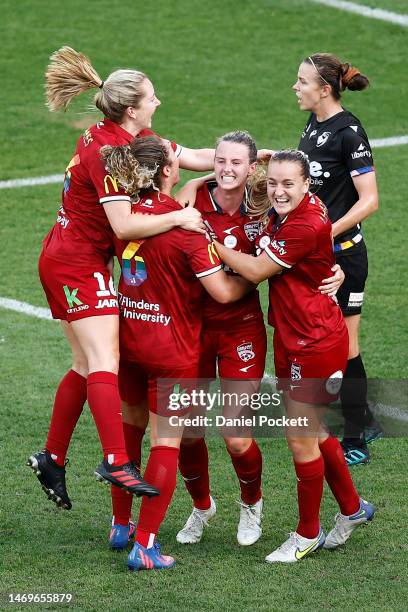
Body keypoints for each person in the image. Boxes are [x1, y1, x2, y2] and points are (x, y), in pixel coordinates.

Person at [27, 46, 220, 510]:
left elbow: (191, 155)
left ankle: (52, 457)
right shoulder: (112, 153)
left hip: (66, 254)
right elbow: (124, 227)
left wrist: (249, 159)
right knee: (104, 360)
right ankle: (115, 460)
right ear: (132, 109)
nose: (159, 102)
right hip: (77, 263)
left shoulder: (127, 135)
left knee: (82, 363)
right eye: (152, 97)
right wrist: (180, 219)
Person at [102, 135, 256, 570]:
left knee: (128, 432)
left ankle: (120, 525)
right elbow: (223, 293)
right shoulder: (187, 227)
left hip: (127, 344)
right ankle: (146, 545)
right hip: (172, 353)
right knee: (165, 445)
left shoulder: (125, 219)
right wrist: (259, 274)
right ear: (169, 172)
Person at [214, 150, 375, 564]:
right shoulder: (292, 208)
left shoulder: (303, 224)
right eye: (273, 183)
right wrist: (264, 157)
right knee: (316, 433)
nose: (279, 191)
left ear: (307, 186)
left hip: (315, 342)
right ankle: (353, 510)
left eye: (289, 184)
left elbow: (254, 271)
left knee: (300, 438)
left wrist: (210, 242)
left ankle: (307, 533)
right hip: (291, 336)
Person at [176, 131, 266, 548]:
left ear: (251, 167)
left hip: (240, 330)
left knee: (236, 436)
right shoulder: (193, 200)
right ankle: (201, 506)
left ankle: (252, 503)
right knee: (187, 430)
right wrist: (192, 183)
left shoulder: (265, 206)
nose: (227, 170)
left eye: (237, 163)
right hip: (190, 328)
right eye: (221, 161)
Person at [294, 53, 381, 465]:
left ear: (324, 89)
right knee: (326, 340)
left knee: (346, 345)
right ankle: (362, 417)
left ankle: (358, 435)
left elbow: (370, 201)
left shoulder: (349, 132)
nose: (295, 87)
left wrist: (324, 232)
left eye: (302, 81)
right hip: (317, 256)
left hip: (343, 256)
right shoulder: (314, 123)